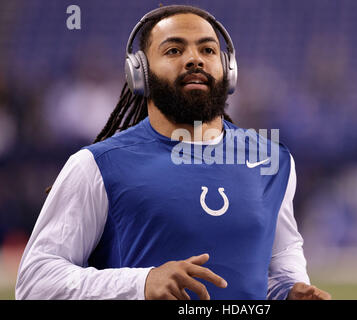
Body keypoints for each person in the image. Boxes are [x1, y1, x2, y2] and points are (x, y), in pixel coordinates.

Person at [15, 5, 331, 300]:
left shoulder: (272, 161)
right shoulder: (96, 165)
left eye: (207, 49)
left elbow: (279, 260)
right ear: (139, 74)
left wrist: (288, 290)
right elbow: (35, 281)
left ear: (228, 69)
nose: (195, 59)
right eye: (174, 50)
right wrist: (141, 283)